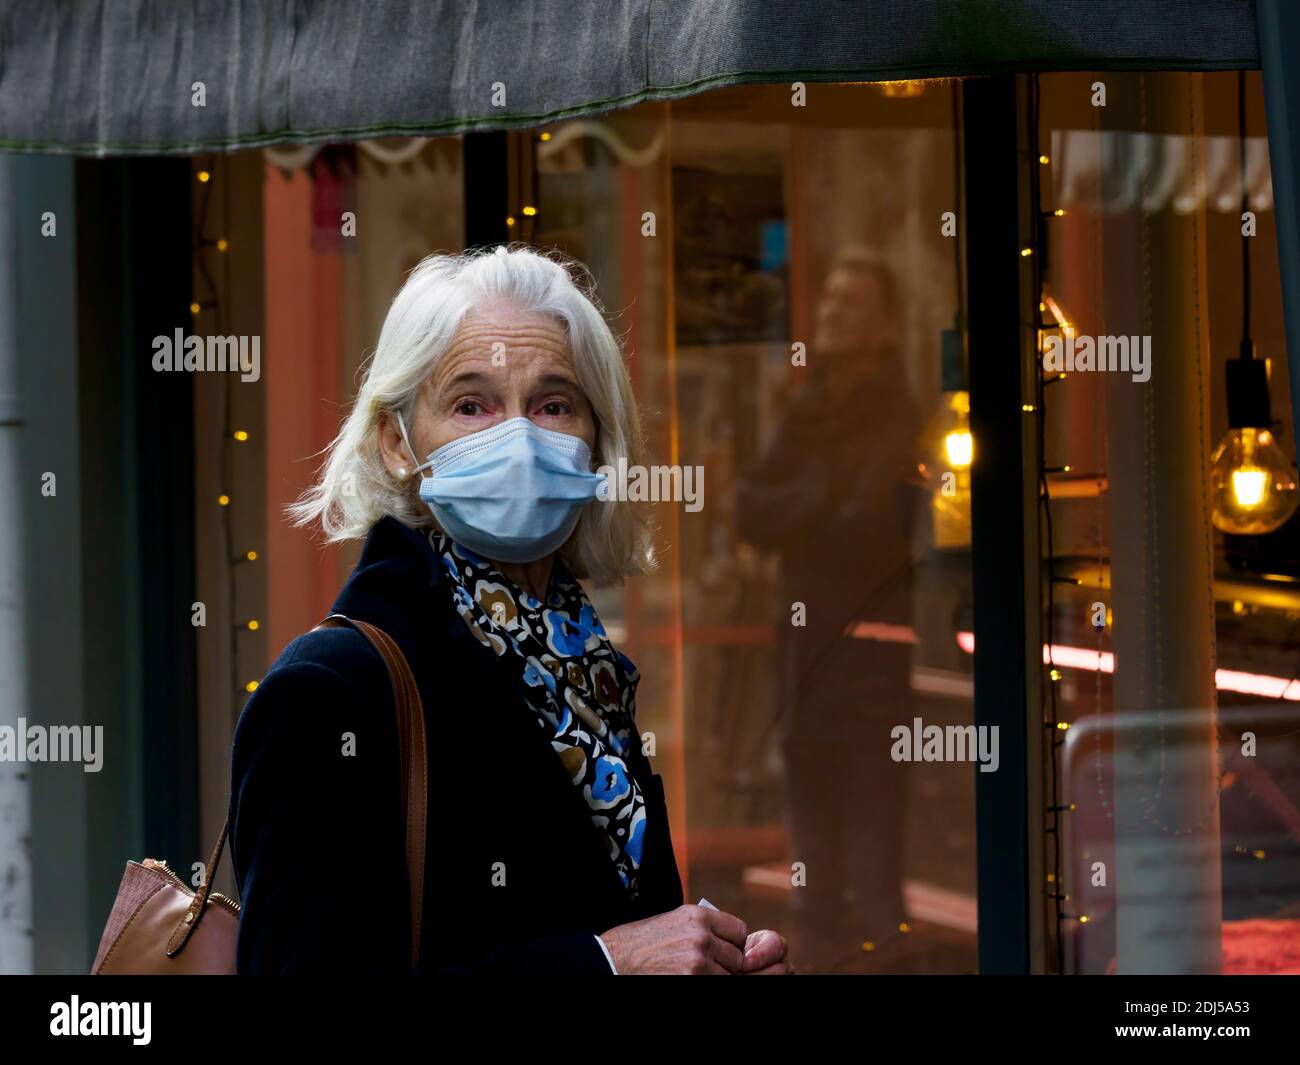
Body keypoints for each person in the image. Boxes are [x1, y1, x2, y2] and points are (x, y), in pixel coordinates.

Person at [229, 245, 792, 975]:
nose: (519, 436)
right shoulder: (332, 691)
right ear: (397, 442)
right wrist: (603, 964)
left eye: (554, 404)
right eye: (472, 404)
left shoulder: (587, 672)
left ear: (596, 440)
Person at [735, 246, 921, 971]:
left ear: (885, 323)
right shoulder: (810, 406)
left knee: (873, 858)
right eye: (830, 300)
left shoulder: (899, 412)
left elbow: (869, 518)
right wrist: (818, 501)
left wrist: (799, 508)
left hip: (871, 658)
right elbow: (749, 506)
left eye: (852, 302)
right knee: (811, 850)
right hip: (802, 657)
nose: (833, 313)